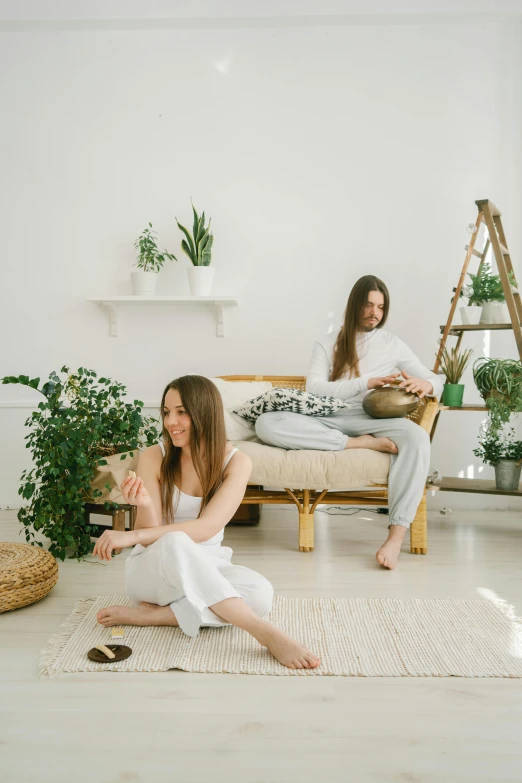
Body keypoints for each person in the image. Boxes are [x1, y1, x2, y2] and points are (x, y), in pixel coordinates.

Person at [93, 374, 320, 670]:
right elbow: (152, 536)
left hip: (208, 565)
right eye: (166, 412)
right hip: (152, 572)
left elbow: (207, 528)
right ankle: (264, 633)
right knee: (174, 541)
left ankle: (159, 616)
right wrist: (145, 505)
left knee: (260, 593)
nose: (170, 422)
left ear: (204, 413)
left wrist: (129, 535)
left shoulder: (237, 462)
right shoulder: (154, 456)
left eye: (181, 412)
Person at [255, 275, 443, 570]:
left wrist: (426, 385)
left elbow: (437, 379)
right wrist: (364, 382)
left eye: (381, 307)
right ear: (355, 304)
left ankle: (395, 537)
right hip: (329, 416)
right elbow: (314, 389)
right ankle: (359, 443)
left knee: (417, 439)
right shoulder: (327, 342)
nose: (375, 312)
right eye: (369, 304)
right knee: (267, 423)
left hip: (374, 417)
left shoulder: (392, 344)